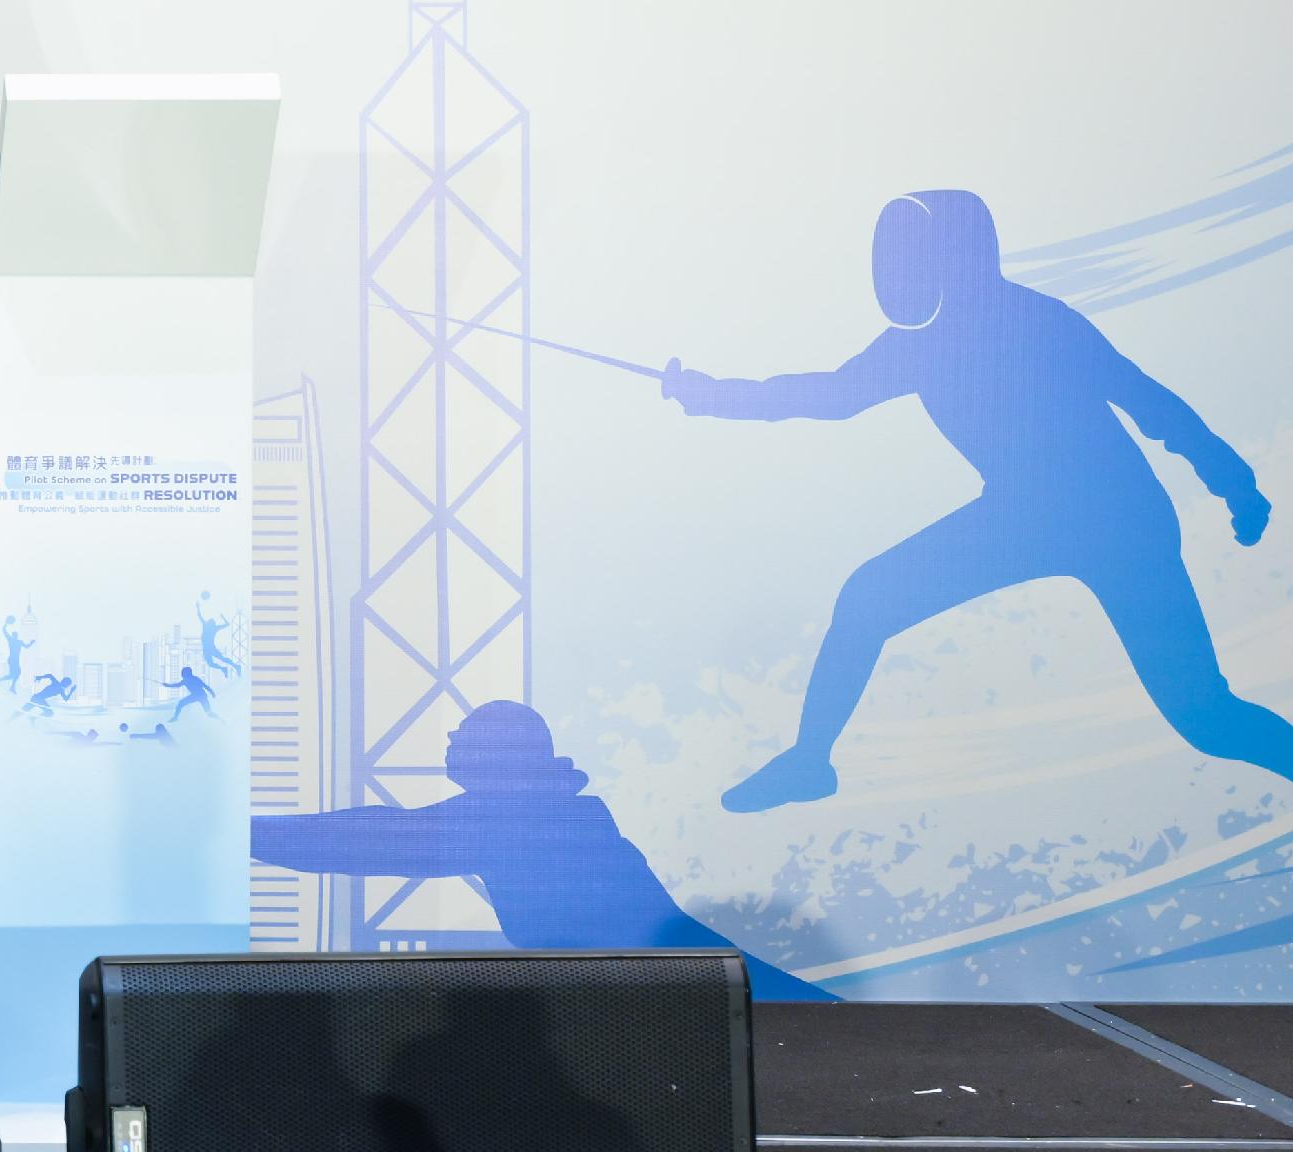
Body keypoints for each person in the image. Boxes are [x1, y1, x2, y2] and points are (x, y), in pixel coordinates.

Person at [665, 187, 1293, 813]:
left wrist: (1235, 485)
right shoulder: (915, 346)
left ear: (957, 258)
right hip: (1022, 516)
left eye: (918, 256)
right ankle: (809, 762)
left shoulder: (1041, 321)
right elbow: (829, 395)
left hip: (1119, 521)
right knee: (866, 598)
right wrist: (709, 394)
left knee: (1206, 717)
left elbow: (1150, 403)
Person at [251, 702, 829, 1000]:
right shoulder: (544, 809)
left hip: (690, 988)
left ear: (504, 753)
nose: (450, 742)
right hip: (688, 982)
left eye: (465, 735)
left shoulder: (521, 817)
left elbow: (376, 839)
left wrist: (245, 835)